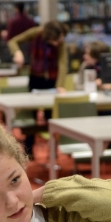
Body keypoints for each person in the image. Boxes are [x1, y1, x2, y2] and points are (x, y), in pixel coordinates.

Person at [8, 20, 69, 157]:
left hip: (52, 81)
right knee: (31, 114)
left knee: (51, 117)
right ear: (49, 36)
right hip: (35, 78)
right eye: (56, 39)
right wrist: (17, 53)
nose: (59, 42)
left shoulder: (61, 42)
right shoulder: (36, 33)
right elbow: (13, 41)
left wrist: (59, 85)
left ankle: (53, 153)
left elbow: (63, 63)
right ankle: (28, 151)